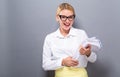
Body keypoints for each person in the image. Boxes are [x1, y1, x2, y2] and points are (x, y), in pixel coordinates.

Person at [42, 3, 97, 77]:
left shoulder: (81, 34)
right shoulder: (50, 38)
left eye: (70, 17)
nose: (67, 21)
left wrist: (88, 53)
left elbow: (94, 59)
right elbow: (45, 65)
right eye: (64, 17)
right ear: (57, 17)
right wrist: (62, 62)